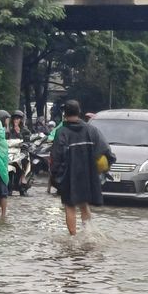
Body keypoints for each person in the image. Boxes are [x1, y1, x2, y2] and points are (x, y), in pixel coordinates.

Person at [51, 100, 115, 235]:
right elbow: (107, 152)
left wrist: (55, 178)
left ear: (65, 114)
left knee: (69, 206)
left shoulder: (61, 132)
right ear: (79, 112)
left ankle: (73, 239)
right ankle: (88, 234)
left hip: (69, 177)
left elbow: (56, 157)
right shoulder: (92, 130)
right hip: (88, 176)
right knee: (84, 204)